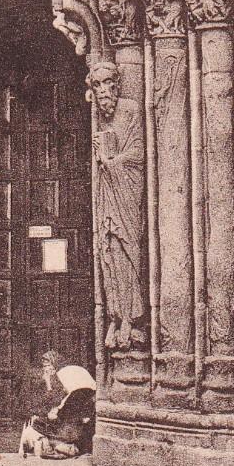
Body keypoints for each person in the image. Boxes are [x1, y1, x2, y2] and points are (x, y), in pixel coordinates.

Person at [90, 60, 146, 352]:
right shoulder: (97, 113)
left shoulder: (130, 109)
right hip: (107, 194)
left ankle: (132, 319)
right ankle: (115, 314)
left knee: (125, 251)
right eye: (96, 85)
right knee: (108, 251)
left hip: (126, 194)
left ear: (117, 83)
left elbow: (138, 154)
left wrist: (110, 161)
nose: (102, 90)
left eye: (107, 83)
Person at [18, 351, 96, 458]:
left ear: (56, 365)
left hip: (70, 424)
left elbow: (56, 402)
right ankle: (57, 446)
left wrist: (49, 383)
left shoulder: (63, 377)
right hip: (67, 420)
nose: (46, 369)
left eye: (49, 365)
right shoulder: (55, 377)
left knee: (38, 425)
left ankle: (56, 446)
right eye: (44, 366)